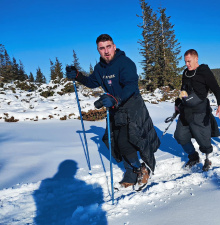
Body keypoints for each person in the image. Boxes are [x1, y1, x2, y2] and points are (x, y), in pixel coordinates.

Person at [66, 34, 160, 191]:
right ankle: (133, 170)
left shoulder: (125, 63)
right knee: (117, 142)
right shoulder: (99, 68)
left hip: (132, 105)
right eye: (102, 48)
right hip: (115, 108)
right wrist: (77, 76)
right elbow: (92, 82)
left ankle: (145, 168)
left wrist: (116, 98)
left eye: (108, 47)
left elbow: (131, 85)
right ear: (98, 50)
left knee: (134, 140)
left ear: (114, 47)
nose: (106, 51)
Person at [174, 49, 220, 172]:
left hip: (200, 111)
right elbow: (183, 91)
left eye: (189, 61)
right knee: (180, 136)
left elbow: (217, 89)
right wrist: (178, 103)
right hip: (186, 110)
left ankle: (207, 158)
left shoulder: (204, 72)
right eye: (185, 62)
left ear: (196, 59)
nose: (187, 64)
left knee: (203, 138)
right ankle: (193, 156)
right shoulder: (185, 73)